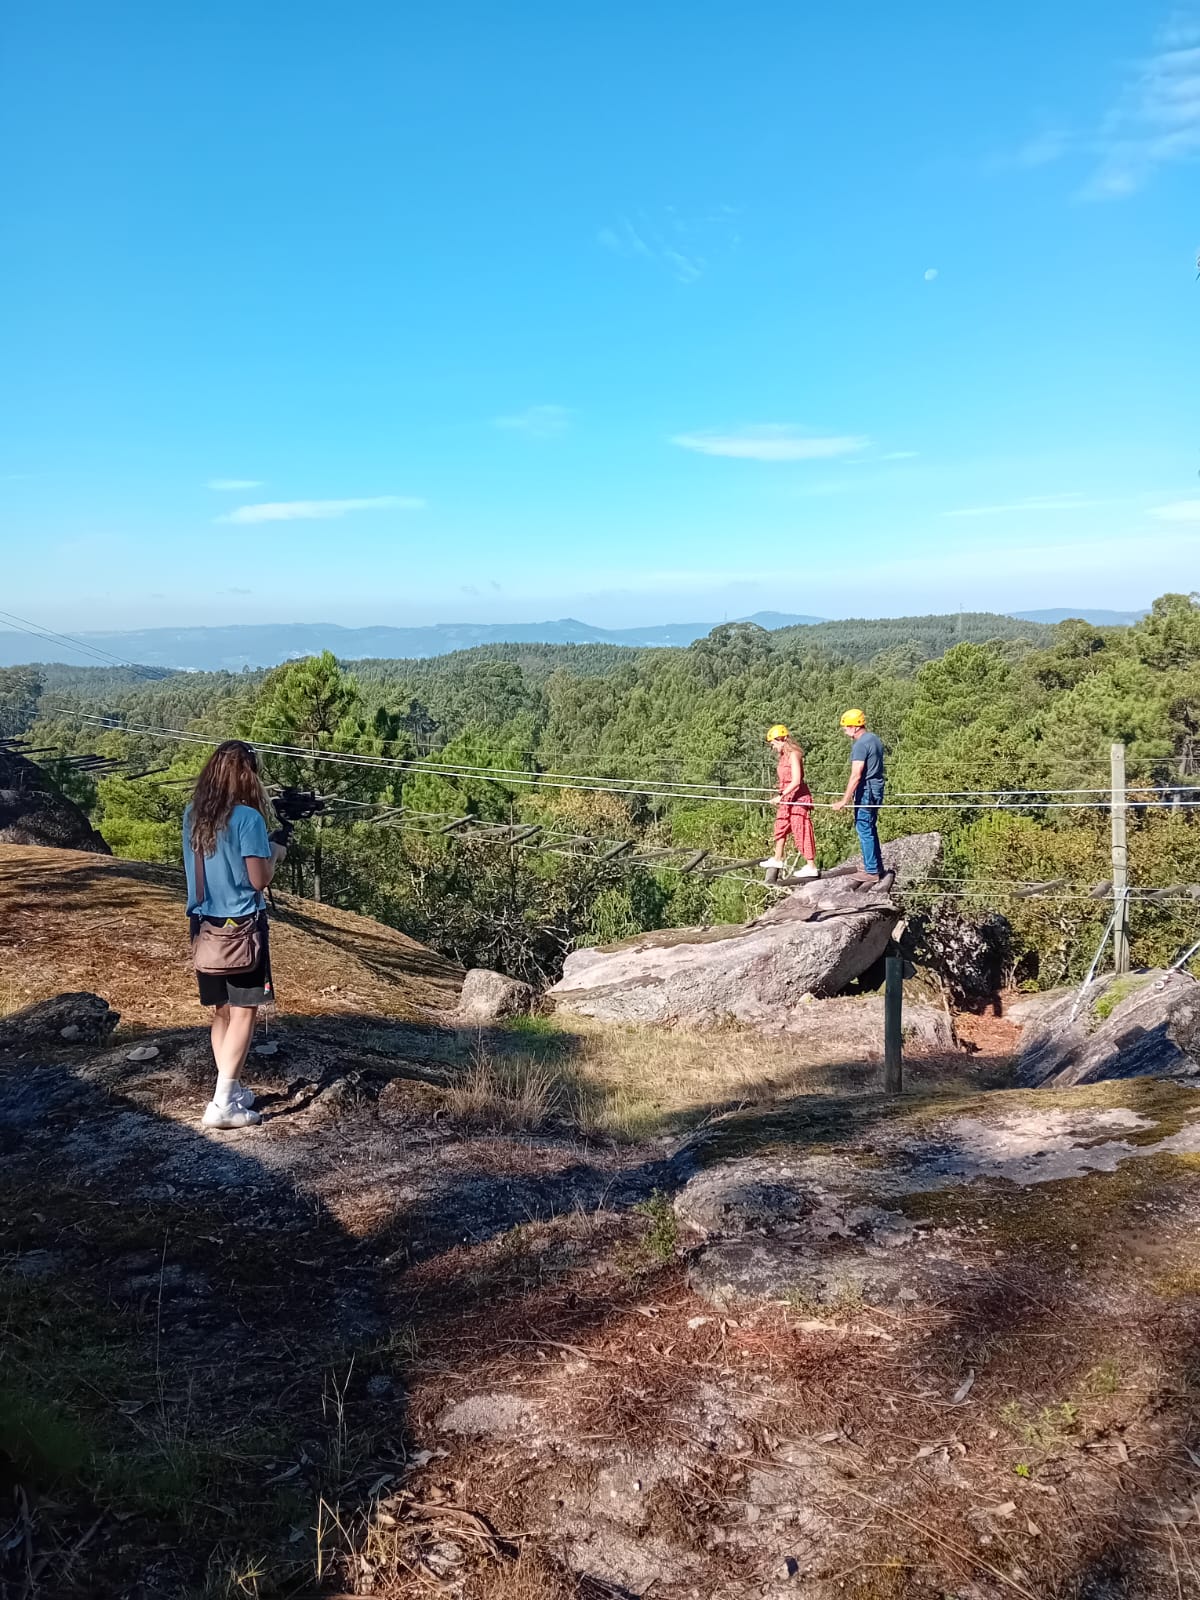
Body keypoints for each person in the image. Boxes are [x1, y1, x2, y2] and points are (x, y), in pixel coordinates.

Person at [182, 741, 286, 1131]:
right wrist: (275, 853)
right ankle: (223, 1103)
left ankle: (231, 1086)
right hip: (241, 929)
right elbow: (259, 880)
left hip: (205, 927)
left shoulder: (193, 815)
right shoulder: (248, 820)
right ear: (246, 775)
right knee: (245, 1011)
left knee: (221, 1011)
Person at [830, 709, 886, 883]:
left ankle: (871, 871)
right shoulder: (874, 739)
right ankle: (876, 866)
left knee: (864, 828)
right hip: (877, 787)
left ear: (855, 727)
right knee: (870, 826)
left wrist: (844, 800)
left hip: (866, 790)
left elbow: (856, 775)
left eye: (846, 727)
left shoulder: (860, 745)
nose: (844, 730)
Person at [760, 724, 819, 879]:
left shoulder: (794, 754)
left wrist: (781, 795)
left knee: (801, 828)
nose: (773, 747)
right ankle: (777, 858)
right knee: (780, 825)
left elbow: (797, 781)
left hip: (798, 796)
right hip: (787, 796)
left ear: (783, 739)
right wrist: (781, 793)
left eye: (774, 743)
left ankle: (811, 866)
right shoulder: (782, 756)